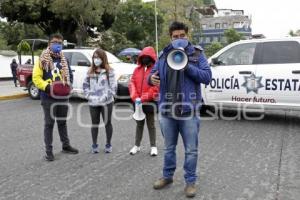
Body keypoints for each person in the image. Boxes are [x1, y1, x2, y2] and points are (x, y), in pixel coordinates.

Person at [149, 21, 212, 198]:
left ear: (187, 35)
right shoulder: (163, 55)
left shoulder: (197, 54)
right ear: (171, 37)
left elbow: (207, 77)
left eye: (182, 36)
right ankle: (167, 176)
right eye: (175, 37)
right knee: (169, 148)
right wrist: (151, 79)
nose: (179, 39)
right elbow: (152, 74)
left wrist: (187, 66)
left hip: (188, 111)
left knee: (191, 149)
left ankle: (190, 182)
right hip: (167, 110)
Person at [32, 33, 79, 161]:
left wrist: (69, 86)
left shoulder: (64, 59)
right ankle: (49, 151)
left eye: (59, 42)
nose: (57, 45)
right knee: (49, 124)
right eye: (54, 42)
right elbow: (36, 78)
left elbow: (69, 74)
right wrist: (48, 87)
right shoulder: (42, 59)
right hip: (48, 97)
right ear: (49, 44)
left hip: (63, 97)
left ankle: (66, 145)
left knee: (62, 122)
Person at [83, 48, 117, 154]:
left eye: (98, 57)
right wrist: (89, 96)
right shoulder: (90, 71)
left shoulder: (109, 71)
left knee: (107, 123)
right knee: (94, 123)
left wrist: (105, 97)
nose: (96, 59)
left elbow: (113, 87)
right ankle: (94, 144)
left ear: (103, 58)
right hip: (93, 102)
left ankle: (108, 143)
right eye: (94, 57)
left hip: (106, 102)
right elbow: (85, 86)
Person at [128, 46, 159, 156]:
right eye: (143, 57)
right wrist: (135, 97)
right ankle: (137, 145)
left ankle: (153, 146)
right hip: (137, 102)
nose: (145, 59)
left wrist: (143, 98)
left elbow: (155, 88)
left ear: (151, 57)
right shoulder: (137, 70)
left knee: (151, 125)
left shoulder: (156, 70)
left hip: (149, 102)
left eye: (147, 57)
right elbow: (132, 83)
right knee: (139, 124)